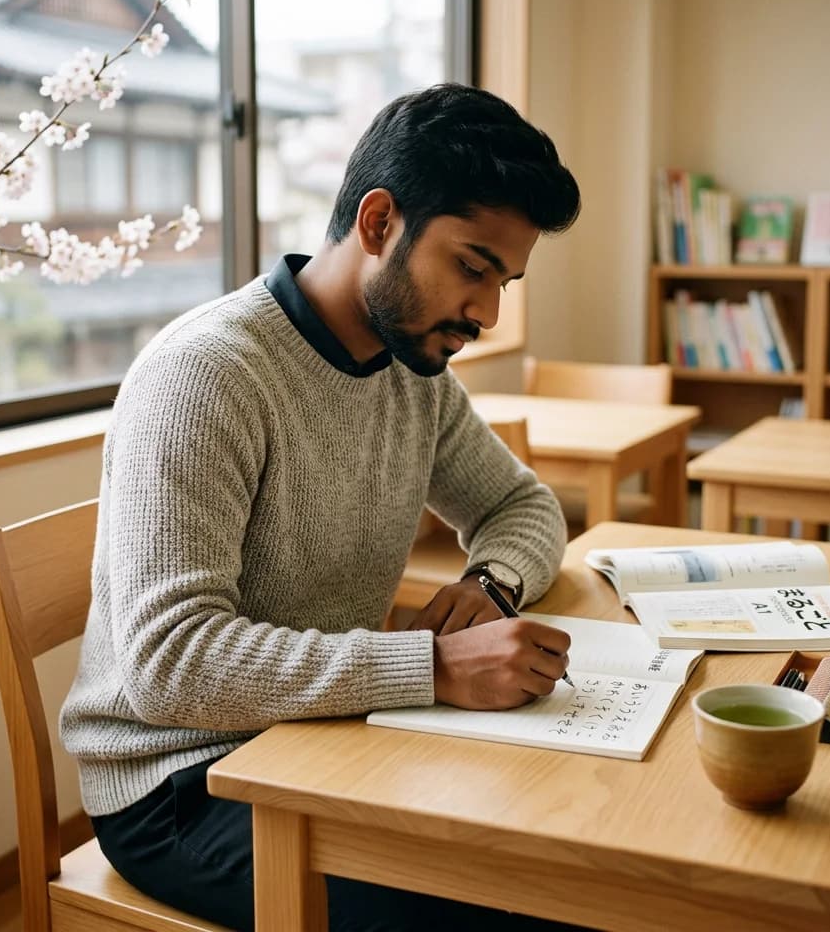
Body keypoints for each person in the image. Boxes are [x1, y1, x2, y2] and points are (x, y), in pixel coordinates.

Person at [61, 82, 583, 931]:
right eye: (473, 268)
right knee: (501, 905)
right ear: (379, 223)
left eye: (505, 282)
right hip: (179, 785)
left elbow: (523, 506)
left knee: (556, 854)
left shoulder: (413, 373)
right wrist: (435, 670)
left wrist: (492, 585)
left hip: (332, 737)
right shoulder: (208, 376)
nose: (486, 312)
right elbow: (171, 665)